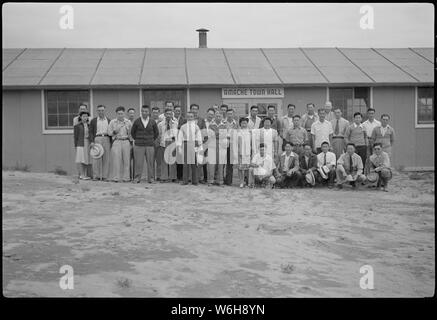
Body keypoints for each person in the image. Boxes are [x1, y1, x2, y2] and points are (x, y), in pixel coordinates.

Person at [131, 105, 159, 183]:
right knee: (138, 163)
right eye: (143, 111)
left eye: (146, 111)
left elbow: (156, 133)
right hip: (139, 145)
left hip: (150, 145)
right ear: (141, 112)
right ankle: (137, 178)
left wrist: (151, 140)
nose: (144, 113)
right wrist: (138, 139)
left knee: (150, 163)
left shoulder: (152, 121)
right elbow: (132, 132)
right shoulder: (137, 121)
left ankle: (151, 179)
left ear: (149, 112)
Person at [177, 111, 202, 185]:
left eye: (191, 117)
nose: (190, 118)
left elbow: (199, 137)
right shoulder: (183, 127)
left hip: (194, 144)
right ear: (186, 118)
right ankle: (185, 181)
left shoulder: (196, 127)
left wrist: (199, 146)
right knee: (185, 164)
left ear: (194, 117)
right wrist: (179, 147)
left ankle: (195, 181)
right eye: (188, 116)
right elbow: (180, 137)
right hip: (186, 144)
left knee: (194, 164)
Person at [108, 106, 132, 182]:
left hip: (126, 141)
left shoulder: (128, 122)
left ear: (124, 113)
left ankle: (126, 178)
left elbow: (131, 134)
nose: (120, 115)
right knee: (116, 160)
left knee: (126, 160)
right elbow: (109, 133)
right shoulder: (112, 122)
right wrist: (115, 131)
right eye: (119, 114)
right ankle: (116, 178)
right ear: (116, 114)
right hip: (117, 141)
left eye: (122, 113)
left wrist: (130, 140)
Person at [89, 104, 111, 181]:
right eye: (99, 110)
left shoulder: (109, 120)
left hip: (106, 138)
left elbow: (111, 132)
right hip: (97, 139)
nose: (101, 112)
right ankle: (96, 176)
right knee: (96, 158)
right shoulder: (93, 121)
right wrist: (91, 141)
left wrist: (111, 142)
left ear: (105, 111)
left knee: (106, 158)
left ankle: (105, 176)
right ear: (97, 111)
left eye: (102, 110)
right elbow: (91, 132)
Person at [157, 108, 178, 182]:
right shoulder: (160, 124)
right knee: (164, 161)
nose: (168, 115)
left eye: (170, 114)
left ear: (172, 114)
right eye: (167, 114)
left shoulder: (175, 123)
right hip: (164, 143)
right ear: (165, 114)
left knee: (172, 161)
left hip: (172, 142)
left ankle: (173, 177)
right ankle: (164, 177)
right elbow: (159, 135)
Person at [207, 110, 227, 186]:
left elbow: (224, 136)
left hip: (221, 146)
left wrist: (216, 134)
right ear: (214, 116)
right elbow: (210, 135)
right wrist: (218, 134)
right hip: (212, 146)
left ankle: (220, 181)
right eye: (217, 116)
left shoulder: (224, 125)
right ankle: (211, 181)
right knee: (212, 164)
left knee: (220, 164)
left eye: (220, 116)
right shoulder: (211, 125)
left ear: (222, 117)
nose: (218, 117)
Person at [73, 110, 92, 180]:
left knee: (86, 159)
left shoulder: (89, 125)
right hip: (80, 143)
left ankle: (85, 174)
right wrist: (75, 145)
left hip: (88, 143)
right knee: (81, 159)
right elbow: (75, 136)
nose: (85, 117)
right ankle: (81, 174)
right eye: (83, 116)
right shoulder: (77, 126)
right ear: (80, 117)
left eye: (86, 116)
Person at [200, 108, 216, 184]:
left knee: (211, 162)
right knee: (203, 161)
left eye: (212, 114)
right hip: (204, 143)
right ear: (207, 113)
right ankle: (204, 178)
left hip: (212, 144)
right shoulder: (203, 121)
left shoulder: (215, 123)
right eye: (209, 114)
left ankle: (211, 179)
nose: (210, 115)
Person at [224, 108, 238, 186]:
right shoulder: (223, 123)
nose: (230, 115)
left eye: (231, 114)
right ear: (226, 114)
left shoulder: (236, 124)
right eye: (228, 114)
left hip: (232, 145)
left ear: (233, 114)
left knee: (230, 164)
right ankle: (221, 179)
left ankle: (229, 181)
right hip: (224, 144)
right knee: (222, 163)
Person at [236, 117, 251, 188]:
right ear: (240, 124)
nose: (244, 124)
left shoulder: (250, 132)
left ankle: (246, 181)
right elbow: (236, 143)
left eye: (245, 123)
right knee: (240, 168)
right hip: (240, 152)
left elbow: (252, 143)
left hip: (248, 152)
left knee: (247, 168)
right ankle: (241, 182)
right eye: (242, 123)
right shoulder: (238, 132)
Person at [174, 105, 186, 181]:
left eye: (179, 111)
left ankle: (180, 176)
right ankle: (172, 176)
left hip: (181, 141)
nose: (178, 112)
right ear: (174, 111)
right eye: (176, 111)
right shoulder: (171, 119)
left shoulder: (184, 120)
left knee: (180, 160)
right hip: (172, 141)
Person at [126, 107, 136, 180]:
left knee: (136, 160)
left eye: (133, 113)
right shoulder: (125, 122)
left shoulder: (137, 122)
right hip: (128, 143)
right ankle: (129, 176)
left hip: (135, 143)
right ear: (127, 114)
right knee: (128, 160)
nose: (131, 114)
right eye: (130, 113)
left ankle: (135, 176)